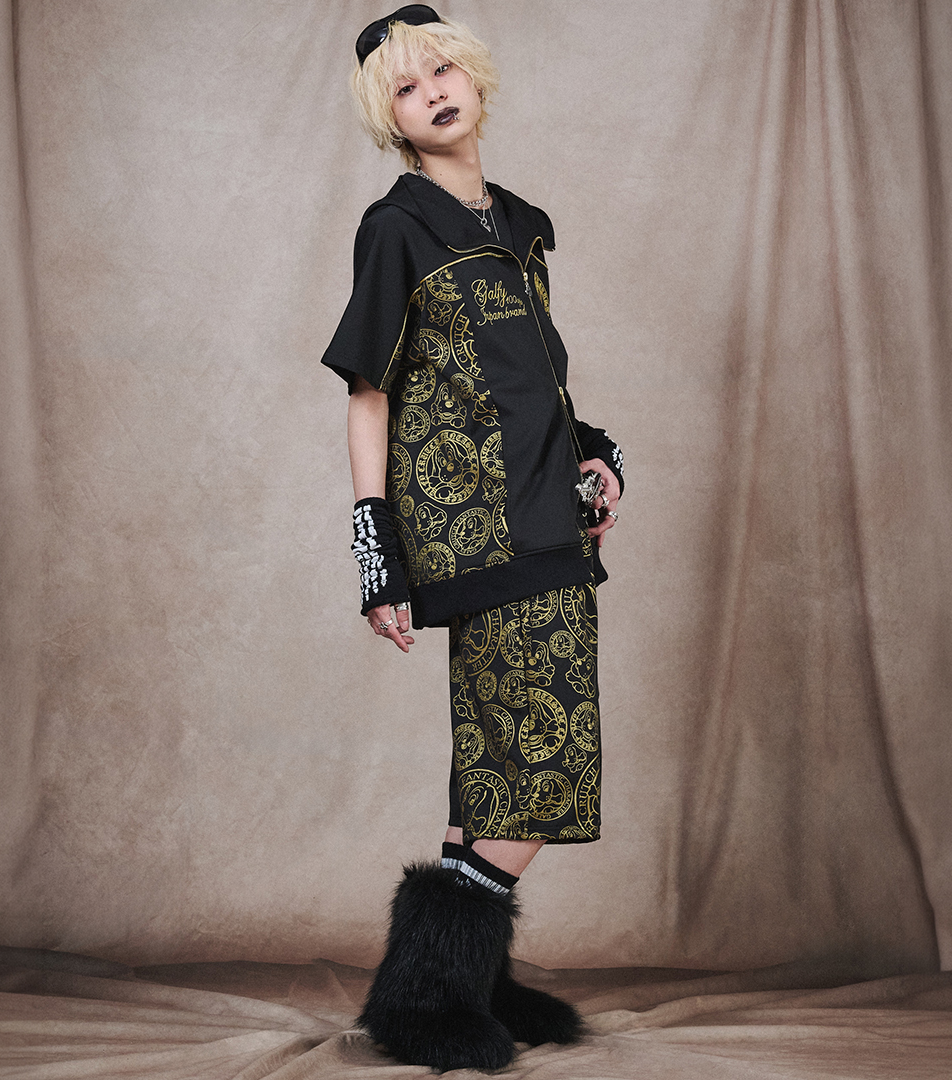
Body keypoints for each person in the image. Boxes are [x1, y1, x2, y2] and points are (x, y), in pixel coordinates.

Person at [321, 6, 624, 1071]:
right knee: (542, 765)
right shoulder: (397, 228)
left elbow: (533, 386)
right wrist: (376, 554)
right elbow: (369, 394)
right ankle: (426, 993)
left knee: (497, 767)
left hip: (548, 516)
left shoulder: (522, 227)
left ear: (475, 76)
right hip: (482, 537)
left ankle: (465, 982)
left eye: (442, 68)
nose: (433, 92)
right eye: (406, 88)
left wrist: (598, 456)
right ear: (391, 119)